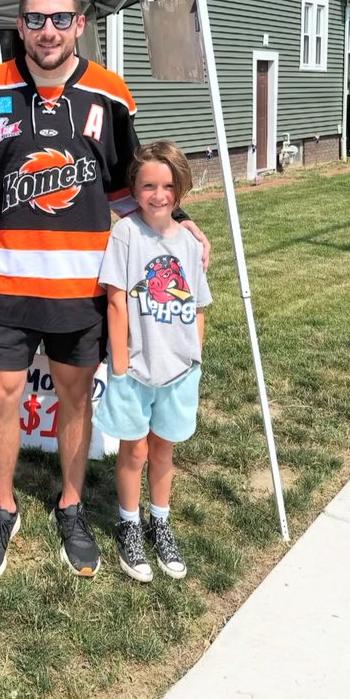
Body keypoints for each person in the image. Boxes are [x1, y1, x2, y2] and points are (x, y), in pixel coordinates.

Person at [0, 0, 210, 582]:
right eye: (35, 20)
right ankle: (2, 509)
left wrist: (181, 218)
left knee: (75, 398)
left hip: (81, 286)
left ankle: (71, 505)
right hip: (4, 282)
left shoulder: (110, 94)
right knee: (3, 398)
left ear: (79, 24)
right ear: (20, 26)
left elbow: (130, 182)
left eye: (60, 19)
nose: (48, 31)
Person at [94, 141, 211, 582]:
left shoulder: (189, 244)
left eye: (167, 186)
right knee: (135, 449)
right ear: (134, 189)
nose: (158, 195)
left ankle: (159, 520)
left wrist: (194, 356)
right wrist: (120, 365)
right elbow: (117, 299)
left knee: (164, 449)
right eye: (148, 186)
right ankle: (128, 522)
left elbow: (199, 304)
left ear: (179, 190)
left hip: (179, 369)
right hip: (135, 369)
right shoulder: (125, 233)